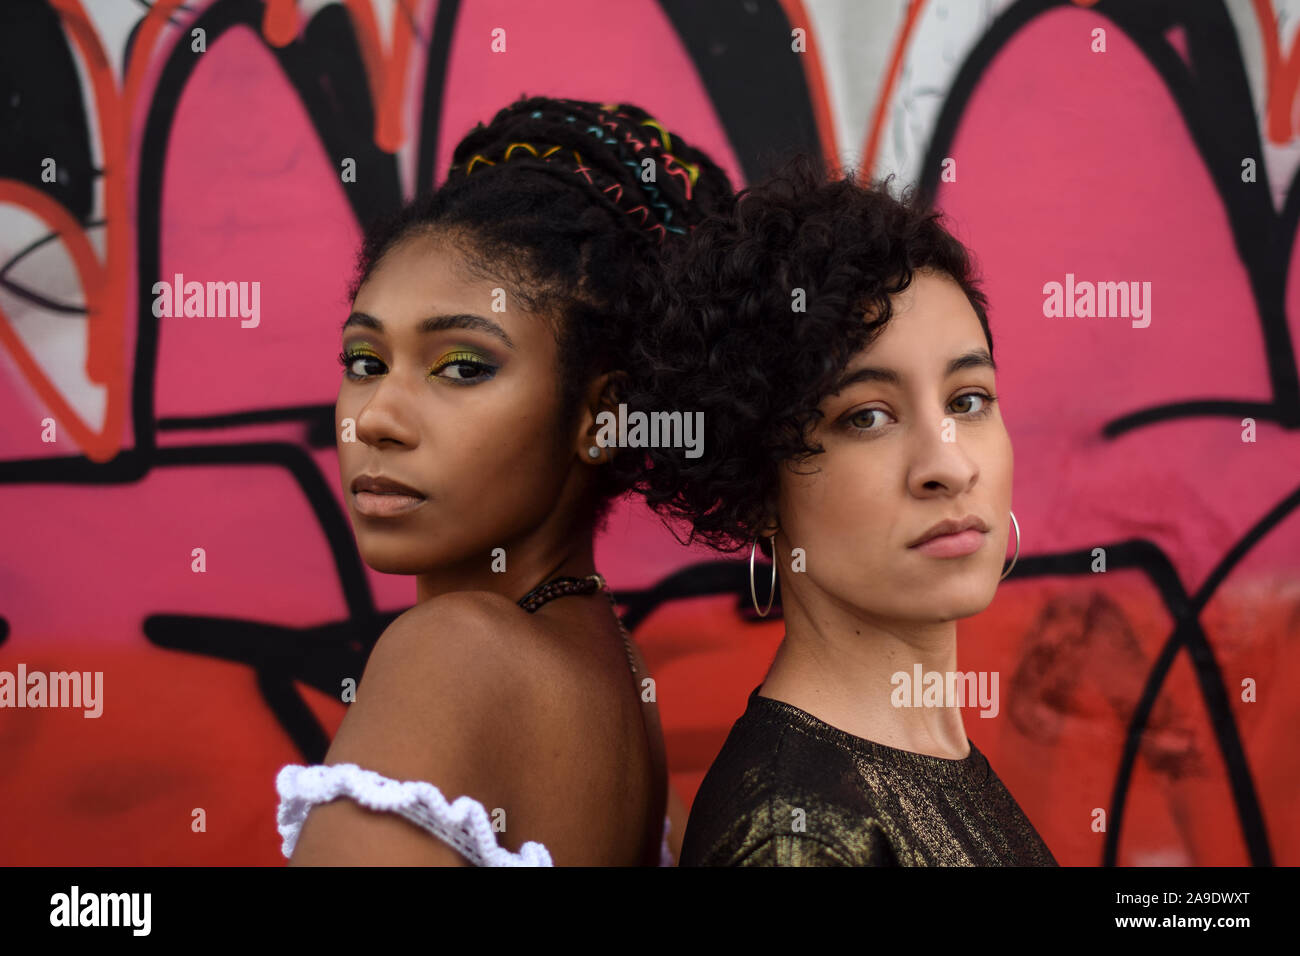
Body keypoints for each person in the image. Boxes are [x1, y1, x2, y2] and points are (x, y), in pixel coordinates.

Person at [275, 95, 732, 866]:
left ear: (601, 417)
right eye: (365, 362)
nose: (377, 417)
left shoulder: (454, 653)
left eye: (461, 367)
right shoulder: (616, 679)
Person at [626, 153, 1057, 865]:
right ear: (760, 488)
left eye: (967, 401)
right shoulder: (796, 836)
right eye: (866, 417)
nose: (948, 465)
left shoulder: (920, 754)